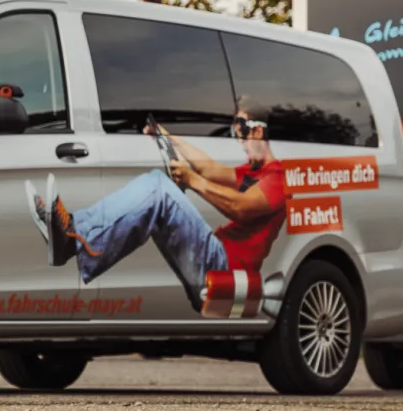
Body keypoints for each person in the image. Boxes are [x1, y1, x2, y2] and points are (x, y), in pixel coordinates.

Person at [28, 111, 288, 317]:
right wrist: (167, 137)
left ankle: (72, 238)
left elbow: (241, 208)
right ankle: (71, 230)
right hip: (216, 257)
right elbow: (210, 169)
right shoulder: (251, 173)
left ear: (257, 130)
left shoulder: (276, 178)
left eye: (241, 132)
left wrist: (193, 181)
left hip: (226, 270)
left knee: (158, 188)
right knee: (158, 190)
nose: (239, 141)